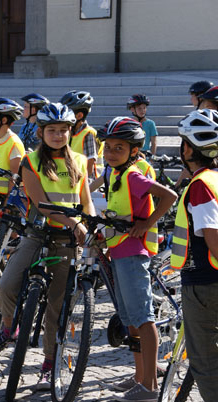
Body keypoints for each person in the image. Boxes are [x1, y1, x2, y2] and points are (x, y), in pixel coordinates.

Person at [0, 103, 94, 391]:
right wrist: (73, 223)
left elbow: (86, 202)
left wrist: (90, 226)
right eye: (52, 130)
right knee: (7, 284)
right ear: (41, 132)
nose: (58, 136)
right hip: (38, 234)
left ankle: (48, 365)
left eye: (63, 131)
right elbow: (42, 204)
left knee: (57, 308)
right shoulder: (31, 161)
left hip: (68, 242)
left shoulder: (80, 161)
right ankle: (9, 328)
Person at [96, 117, 176, 402]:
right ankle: (139, 376)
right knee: (130, 321)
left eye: (119, 148)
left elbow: (168, 195)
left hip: (133, 254)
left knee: (143, 320)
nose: (111, 152)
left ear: (133, 151)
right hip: (118, 251)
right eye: (107, 147)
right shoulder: (115, 174)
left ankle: (150, 387)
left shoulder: (131, 175)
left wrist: (147, 224)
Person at [170, 108, 218, 402]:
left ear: (187, 148)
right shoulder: (214, 178)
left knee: (206, 363)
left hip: (204, 284)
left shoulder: (201, 186)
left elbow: (212, 236)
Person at [60, 90, 99, 177]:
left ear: (79, 116)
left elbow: (89, 167)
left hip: (89, 183)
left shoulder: (88, 133)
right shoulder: (70, 133)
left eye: (67, 113)